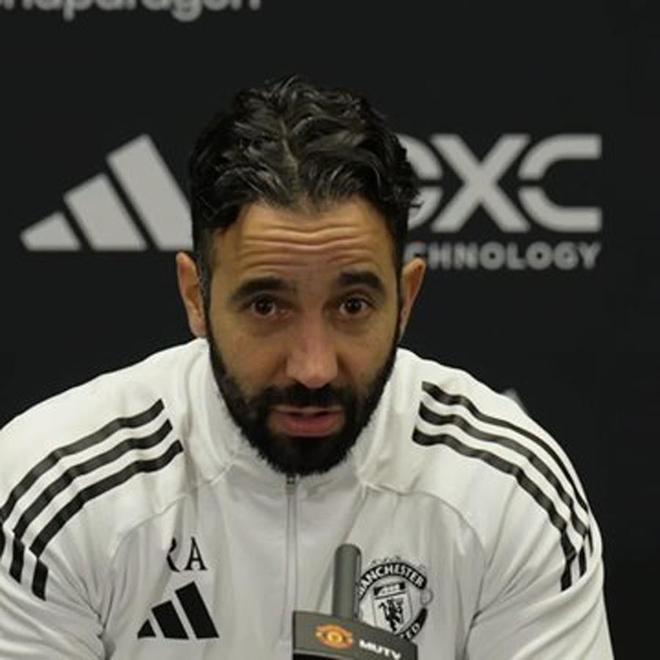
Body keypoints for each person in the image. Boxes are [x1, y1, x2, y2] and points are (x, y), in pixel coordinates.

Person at [0, 75, 613, 659]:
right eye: (266, 306)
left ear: (406, 301)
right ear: (195, 297)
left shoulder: (505, 490)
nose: (314, 368)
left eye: (352, 306)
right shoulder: (60, 490)